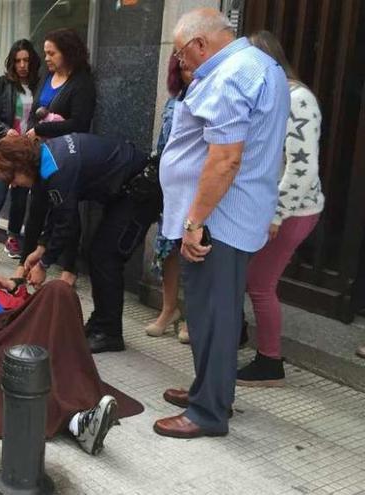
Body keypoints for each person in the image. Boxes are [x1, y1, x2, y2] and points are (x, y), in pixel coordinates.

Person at [153, 8, 290, 439]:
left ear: (199, 44)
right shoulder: (258, 64)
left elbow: (225, 158)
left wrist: (194, 221)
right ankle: (209, 391)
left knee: (212, 314)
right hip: (236, 214)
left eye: (179, 54)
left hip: (219, 218)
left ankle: (208, 412)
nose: (180, 63)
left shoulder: (232, 74)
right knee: (219, 310)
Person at [0, 278, 145, 455]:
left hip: (14, 322)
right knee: (20, 362)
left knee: (58, 289)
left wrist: (11, 284)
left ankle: (79, 397)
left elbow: (23, 302)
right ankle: (77, 422)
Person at [0, 133, 162, 353]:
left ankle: (109, 333)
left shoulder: (57, 169)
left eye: (11, 178)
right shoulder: (47, 156)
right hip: (124, 189)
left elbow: (67, 223)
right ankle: (101, 323)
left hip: (139, 192)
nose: (13, 185)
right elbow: (59, 210)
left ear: (22, 165)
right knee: (99, 254)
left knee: (107, 257)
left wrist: (44, 265)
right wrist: (42, 248)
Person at [236, 31, 325, 387]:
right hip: (269, 208)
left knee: (259, 283)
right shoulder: (272, 96)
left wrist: (276, 214)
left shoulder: (298, 99)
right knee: (250, 279)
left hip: (291, 212)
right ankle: (245, 341)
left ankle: (270, 361)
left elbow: (302, 168)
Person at [20, 28, 97, 286]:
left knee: (67, 211)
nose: (47, 58)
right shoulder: (46, 77)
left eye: (52, 53)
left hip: (68, 157)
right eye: (46, 53)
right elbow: (35, 112)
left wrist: (42, 129)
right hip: (41, 153)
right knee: (36, 210)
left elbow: (80, 123)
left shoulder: (82, 83)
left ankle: (70, 267)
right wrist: (33, 130)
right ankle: (24, 262)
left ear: (68, 52)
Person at [0, 39, 41, 266]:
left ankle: (12, 238)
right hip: (4, 149)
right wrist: (5, 131)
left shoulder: (38, 86)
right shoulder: (0, 84)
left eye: (26, 60)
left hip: (26, 151)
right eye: (18, 61)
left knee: (20, 199)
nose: (22, 65)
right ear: (11, 62)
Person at [145, 56, 193, 343]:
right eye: (183, 67)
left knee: (193, 253)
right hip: (171, 190)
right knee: (168, 251)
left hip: (198, 191)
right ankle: (168, 310)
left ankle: (189, 315)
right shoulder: (173, 102)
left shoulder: (212, 98)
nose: (188, 72)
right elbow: (162, 144)